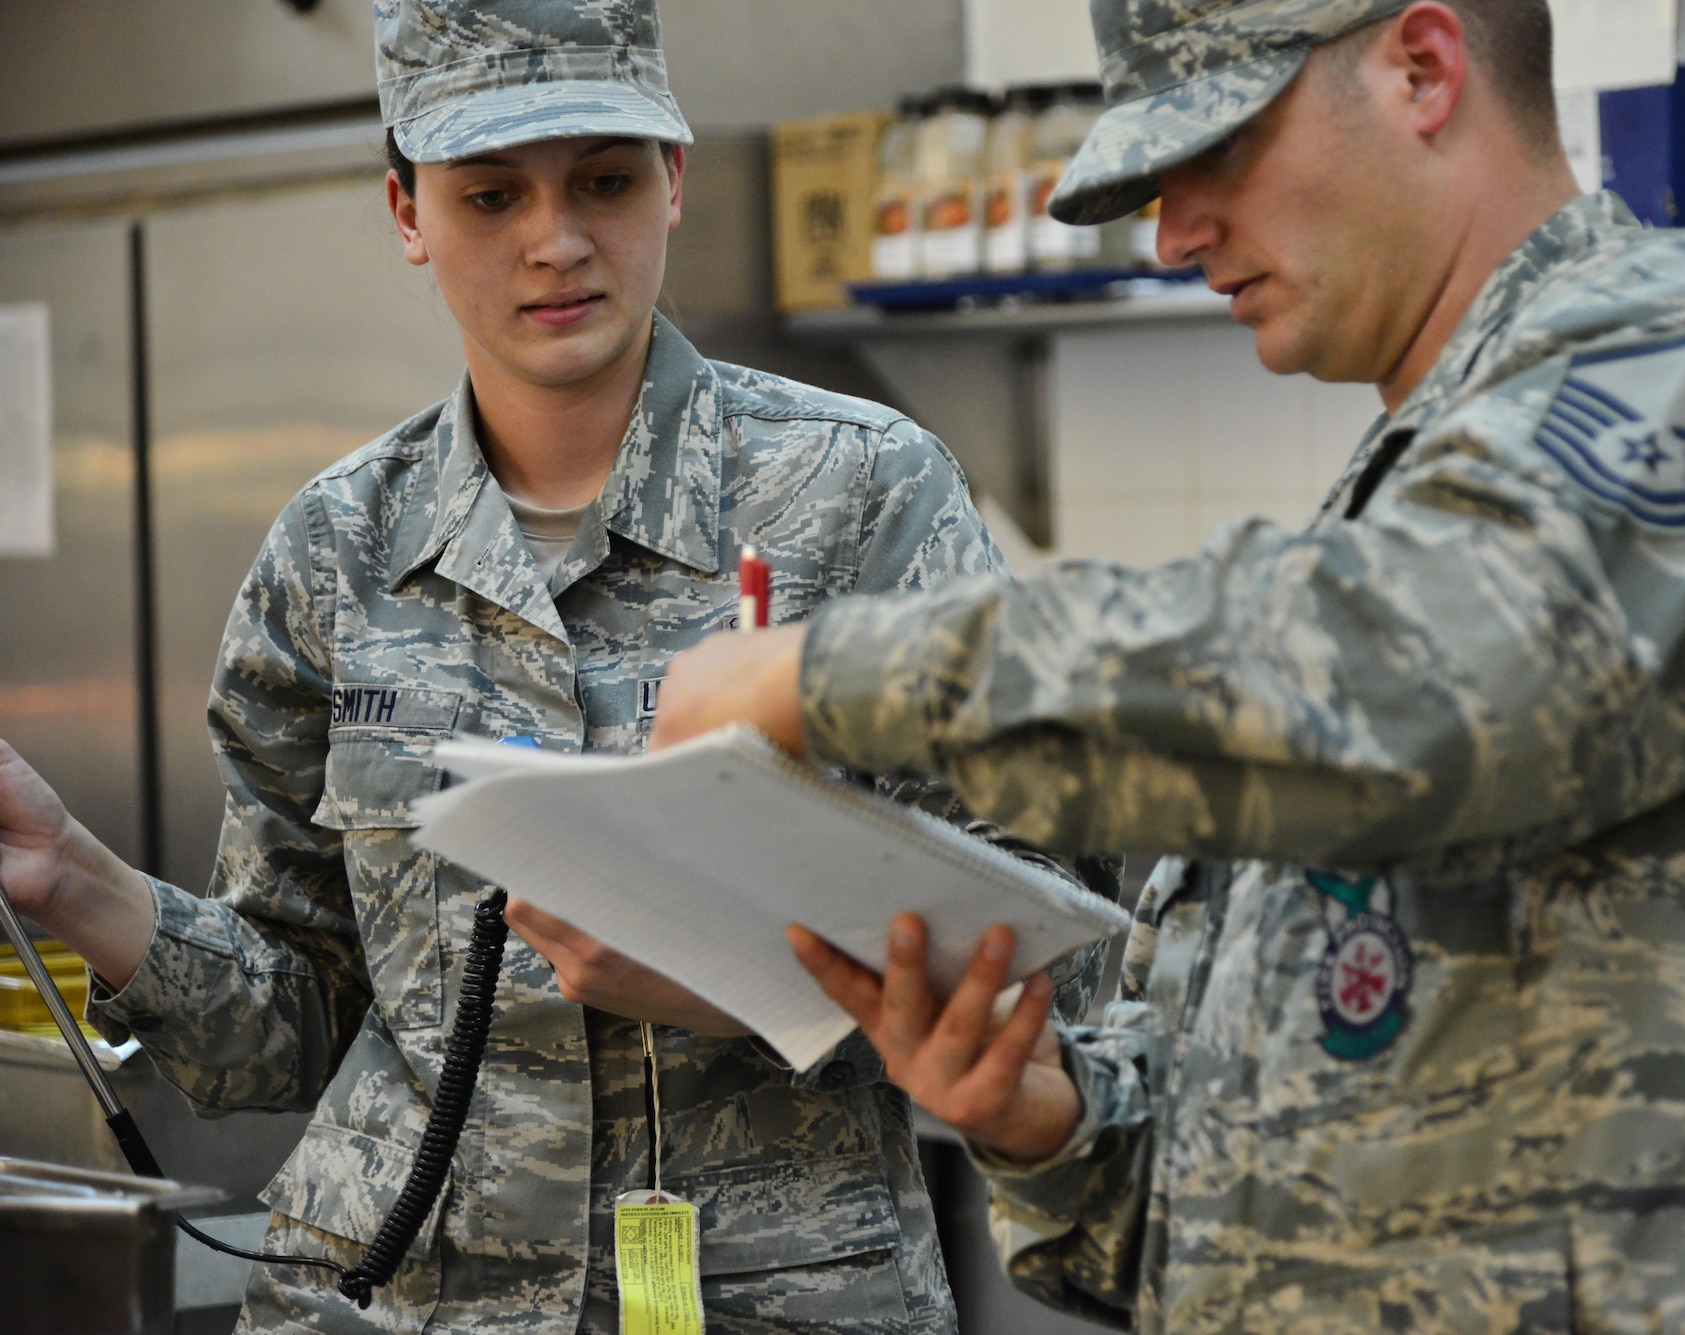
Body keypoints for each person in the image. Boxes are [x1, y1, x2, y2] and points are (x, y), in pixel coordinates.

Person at [642, 0, 1685, 1331]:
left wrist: (830, 675)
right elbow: (1258, 1194)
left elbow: (1451, 685)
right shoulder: (1385, 541)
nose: (1175, 235)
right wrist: (1045, 1121)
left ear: (1422, 66)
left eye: (1215, 153)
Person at [0, 1, 1116, 1331]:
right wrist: (69, 872)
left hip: (755, 1299)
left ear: (674, 180)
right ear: (409, 213)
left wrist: (741, 985)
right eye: (490, 195)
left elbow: (1065, 962)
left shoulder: (863, 496)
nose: (557, 240)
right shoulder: (338, 545)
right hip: (397, 1300)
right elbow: (293, 1019)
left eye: (604, 178)